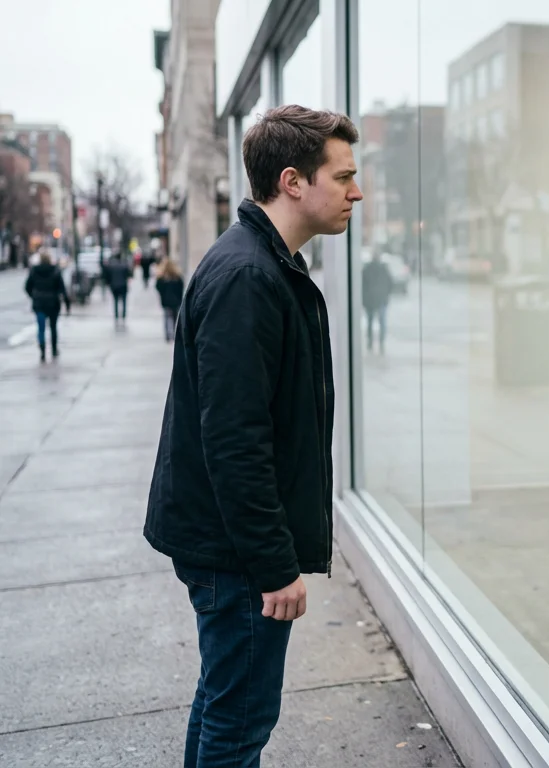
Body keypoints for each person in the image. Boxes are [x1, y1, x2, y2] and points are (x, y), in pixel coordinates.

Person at [144, 104, 362, 767]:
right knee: (238, 722)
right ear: (294, 181)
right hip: (234, 555)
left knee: (223, 702)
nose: (358, 192)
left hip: (225, 544)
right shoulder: (248, 276)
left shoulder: (262, 264)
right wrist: (274, 565)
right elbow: (236, 441)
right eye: (345, 175)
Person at [24, 249, 69, 362]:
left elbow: (27, 286)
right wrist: (66, 302)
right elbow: (62, 288)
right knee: (53, 327)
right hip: (53, 302)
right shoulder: (55, 270)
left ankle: (43, 350)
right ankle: (54, 349)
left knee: (41, 328)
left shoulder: (34, 271)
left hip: (39, 302)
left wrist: (34, 296)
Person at [360, 252, 393, 353]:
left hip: (371, 300)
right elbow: (390, 283)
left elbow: (362, 285)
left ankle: (370, 343)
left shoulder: (367, 269)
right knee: (381, 322)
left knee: (371, 322)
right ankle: (381, 343)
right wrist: (385, 295)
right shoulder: (383, 269)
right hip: (380, 300)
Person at [154, 258, 185, 342]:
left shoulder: (161, 278)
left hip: (166, 301)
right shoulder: (177, 277)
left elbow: (158, 287)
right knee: (175, 318)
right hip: (176, 300)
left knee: (167, 317)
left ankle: (168, 335)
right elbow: (181, 288)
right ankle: (175, 334)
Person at [103, 253, 132, 322]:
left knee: (115, 301)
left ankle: (116, 315)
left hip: (114, 286)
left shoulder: (111, 266)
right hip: (123, 286)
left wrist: (109, 284)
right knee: (124, 301)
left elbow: (108, 276)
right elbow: (129, 275)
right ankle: (123, 315)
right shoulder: (124, 265)